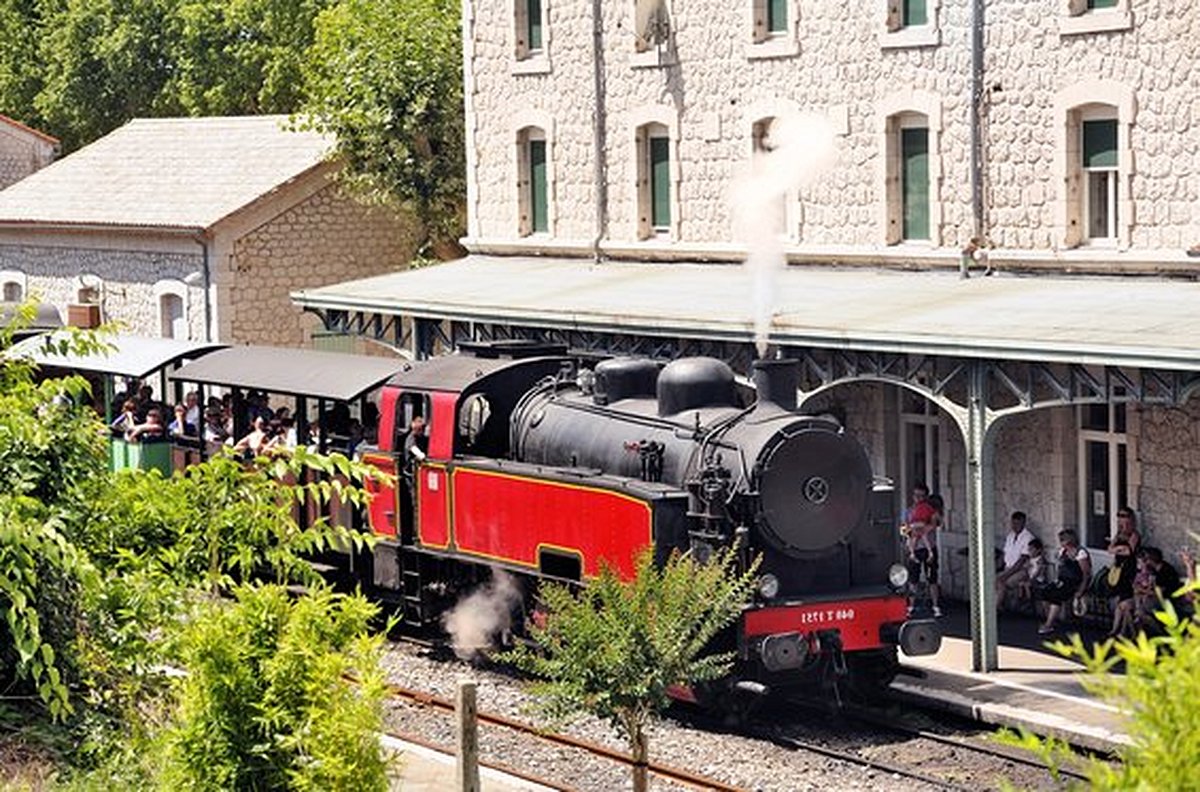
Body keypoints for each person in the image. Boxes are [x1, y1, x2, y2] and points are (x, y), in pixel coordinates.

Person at [1038, 529, 1092, 635]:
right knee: (1045, 592)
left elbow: (1086, 574)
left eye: (1062, 540)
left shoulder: (1080, 553)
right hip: (1062, 580)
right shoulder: (1062, 551)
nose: (1061, 542)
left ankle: (1048, 624)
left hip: (1075, 582)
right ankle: (1051, 619)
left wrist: (1081, 590)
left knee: (1056, 596)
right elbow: (1060, 567)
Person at [902, 482, 942, 618]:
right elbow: (904, 528)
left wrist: (927, 527)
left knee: (932, 578)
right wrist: (910, 532)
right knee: (913, 578)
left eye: (921, 496)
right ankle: (911, 607)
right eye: (916, 495)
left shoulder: (929, 509)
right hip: (915, 547)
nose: (918, 498)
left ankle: (936, 606)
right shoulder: (908, 511)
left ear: (925, 497)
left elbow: (938, 522)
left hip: (929, 546)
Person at [995, 511, 1035, 609]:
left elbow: (1022, 560)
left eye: (1018, 523)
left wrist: (1005, 574)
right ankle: (997, 605)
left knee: (1001, 582)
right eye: (1013, 523)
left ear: (1023, 522)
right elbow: (1005, 554)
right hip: (1007, 567)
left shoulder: (1028, 538)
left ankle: (996, 607)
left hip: (1021, 570)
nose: (1015, 526)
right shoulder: (1010, 536)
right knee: (991, 580)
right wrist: (999, 569)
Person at [1105, 539, 1138, 638]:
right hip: (1121, 588)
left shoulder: (1131, 559)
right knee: (1119, 608)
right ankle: (1115, 630)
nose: (1119, 552)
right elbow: (1110, 550)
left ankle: (1130, 633)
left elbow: (1127, 550)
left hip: (1130, 590)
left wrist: (1120, 547)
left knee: (1124, 607)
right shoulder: (1118, 559)